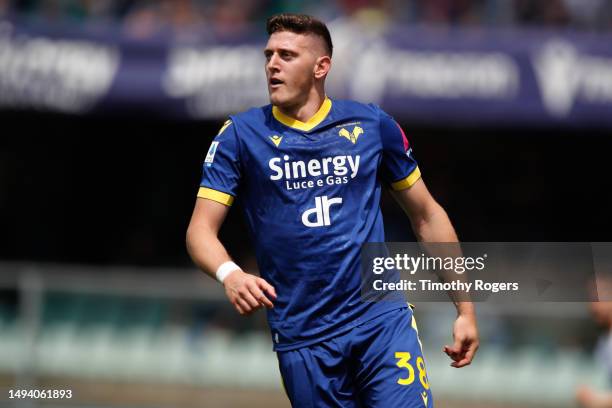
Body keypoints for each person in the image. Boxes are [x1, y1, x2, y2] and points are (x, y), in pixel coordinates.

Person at [186, 13, 479, 407]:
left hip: (380, 321)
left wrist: (465, 308)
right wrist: (230, 275)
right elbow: (200, 231)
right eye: (269, 54)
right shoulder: (240, 135)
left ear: (321, 66)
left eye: (287, 55)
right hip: (302, 339)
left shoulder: (372, 125)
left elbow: (426, 214)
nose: (272, 64)